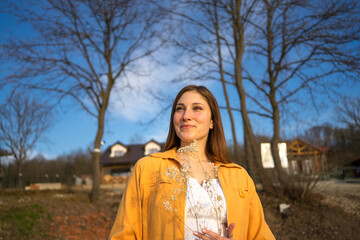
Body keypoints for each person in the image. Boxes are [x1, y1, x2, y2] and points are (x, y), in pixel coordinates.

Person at [109, 85, 275, 240]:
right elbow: (123, 234)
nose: (186, 116)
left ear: (212, 122)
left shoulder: (239, 176)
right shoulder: (147, 168)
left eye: (197, 108)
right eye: (179, 109)